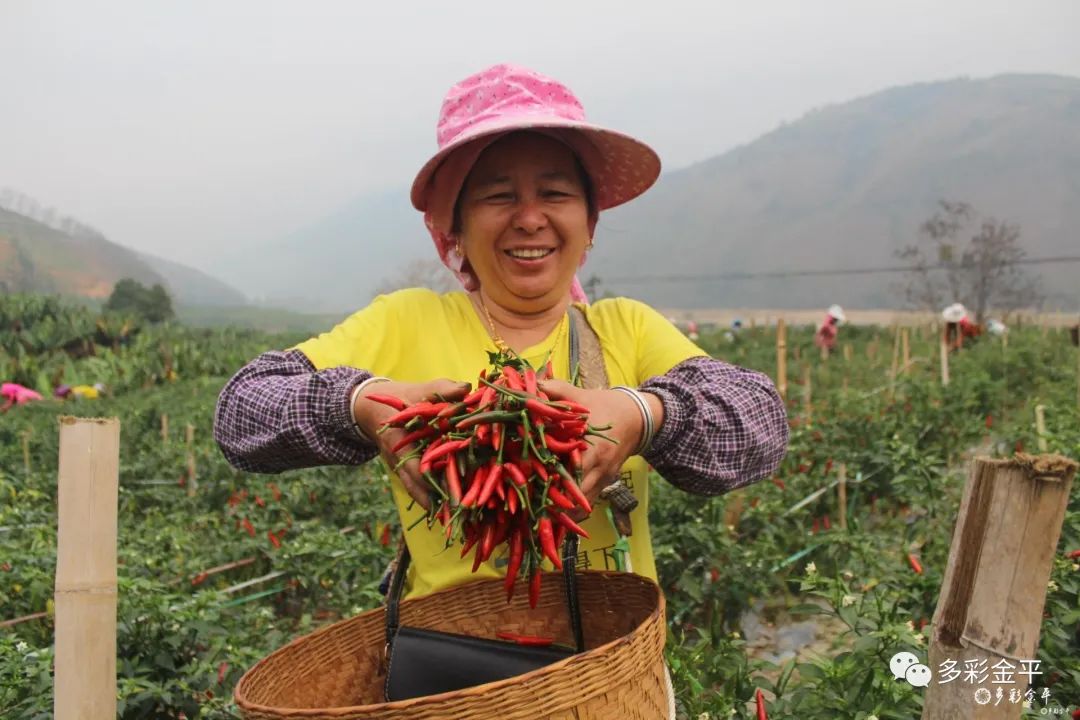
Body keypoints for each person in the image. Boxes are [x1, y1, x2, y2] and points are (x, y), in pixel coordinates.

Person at [213, 64, 789, 710]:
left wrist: (642, 413)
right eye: (496, 196)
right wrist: (356, 406)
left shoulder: (625, 330)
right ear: (453, 226)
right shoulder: (406, 322)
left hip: (610, 685)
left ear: (590, 223)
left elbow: (760, 422)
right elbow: (241, 411)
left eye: (554, 192)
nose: (529, 218)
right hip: (454, 686)